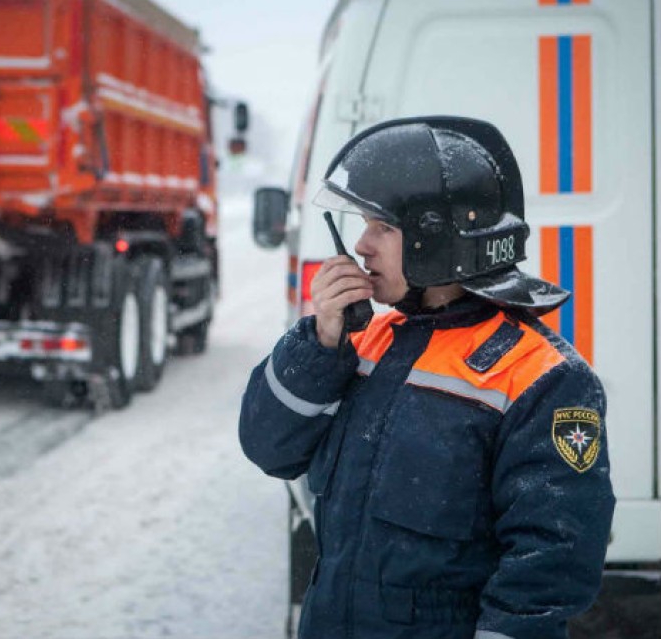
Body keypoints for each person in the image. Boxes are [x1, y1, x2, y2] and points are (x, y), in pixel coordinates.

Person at [239, 116, 615, 639]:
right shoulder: (365, 340)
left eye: (383, 228)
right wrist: (323, 340)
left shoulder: (540, 376)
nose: (362, 245)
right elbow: (268, 448)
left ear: (439, 240)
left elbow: (548, 568)